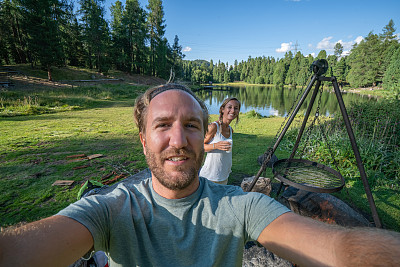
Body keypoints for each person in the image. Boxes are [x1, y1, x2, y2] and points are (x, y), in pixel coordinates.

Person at [1, 83, 400, 267]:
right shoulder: (112, 209)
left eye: (192, 125)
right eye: (163, 125)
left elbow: (338, 250)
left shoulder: (240, 206)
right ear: (143, 141)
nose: (180, 139)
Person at [199, 97, 240, 185]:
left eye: (236, 108)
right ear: (222, 109)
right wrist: (215, 146)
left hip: (224, 174)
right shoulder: (213, 127)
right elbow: (199, 147)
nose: (232, 111)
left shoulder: (230, 130)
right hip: (210, 176)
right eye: (229, 107)